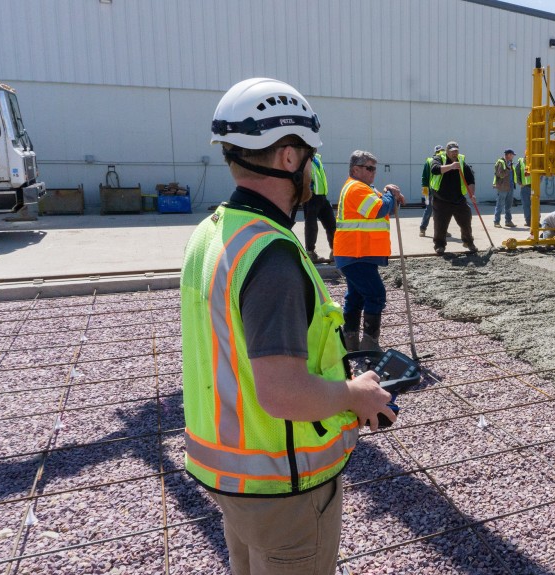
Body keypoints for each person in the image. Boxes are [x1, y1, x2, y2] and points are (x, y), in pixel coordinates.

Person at [182, 77, 395, 574]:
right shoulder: (273, 256)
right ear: (288, 157)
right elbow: (281, 394)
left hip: (231, 474)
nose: (315, 167)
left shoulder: (212, 232)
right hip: (282, 483)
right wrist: (354, 395)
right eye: (311, 154)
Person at [335, 150, 404, 352]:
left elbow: (381, 200)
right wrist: (391, 194)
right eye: (369, 168)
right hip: (356, 253)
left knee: (355, 296)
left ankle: (351, 341)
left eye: (375, 168)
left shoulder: (363, 188)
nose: (374, 172)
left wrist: (391, 193)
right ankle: (369, 344)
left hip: (356, 253)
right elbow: (378, 209)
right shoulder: (356, 188)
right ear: (356, 169)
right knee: (375, 295)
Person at [430, 141, 478, 255]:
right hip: (441, 200)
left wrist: (472, 194)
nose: (454, 153)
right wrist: (451, 167)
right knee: (440, 225)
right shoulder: (439, 158)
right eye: (452, 151)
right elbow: (435, 170)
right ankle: (439, 245)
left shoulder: (461, 161)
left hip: (458, 199)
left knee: (466, 221)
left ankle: (469, 242)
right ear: (447, 151)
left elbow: (470, 180)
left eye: (456, 151)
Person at [303, 152, 336, 263]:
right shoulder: (302, 158)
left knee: (331, 224)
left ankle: (335, 251)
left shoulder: (317, 158)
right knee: (311, 226)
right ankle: (310, 252)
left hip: (322, 196)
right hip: (311, 197)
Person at [418, 145, 448, 238]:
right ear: (435, 152)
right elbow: (425, 176)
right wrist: (425, 190)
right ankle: (422, 229)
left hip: (441, 189)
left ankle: (441, 230)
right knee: (429, 209)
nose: (441, 152)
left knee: (441, 210)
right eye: (439, 151)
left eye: (442, 151)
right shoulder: (430, 161)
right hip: (429, 189)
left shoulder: (444, 161)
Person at [493, 148, 516, 228]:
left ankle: (508, 221)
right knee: (500, 205)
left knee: (508, 206)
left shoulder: (510, 163)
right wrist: (507, 169)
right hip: (502, 187)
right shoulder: (501, 162)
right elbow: (500, 174)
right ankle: (496, 222)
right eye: (512, 155)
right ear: (508, 155)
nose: (513, 156)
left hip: (510, 187)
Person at [515, 150, 532, 226]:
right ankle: (528, 221)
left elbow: (540, 173)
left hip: (534, 187)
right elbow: (516, 173)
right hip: (525, 187)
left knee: (535, 205)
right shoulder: (521, 162)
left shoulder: (535, 162)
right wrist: (519, 183)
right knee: (526, 205)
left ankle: (536, 221)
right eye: (527, 155)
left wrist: (539, 182)